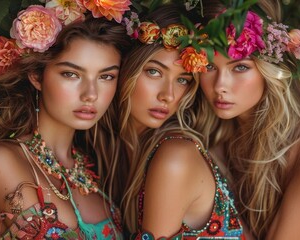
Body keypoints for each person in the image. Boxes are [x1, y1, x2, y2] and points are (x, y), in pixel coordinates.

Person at [0, 3, 130, 238]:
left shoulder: (94, 166)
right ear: (36, 76)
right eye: (71, 74)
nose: (91, 94)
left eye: (106, 76)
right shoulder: (1, 160)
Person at [195, 0, 300, 239]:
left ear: (269, 68)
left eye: (240, 67)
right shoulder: (215, 154)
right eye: (209, 67)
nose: (220, 86)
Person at [103, 4, 245, 239]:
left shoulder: (175, 155)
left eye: (182, 80)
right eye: (154, 72)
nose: (167, 95)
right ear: (126, 68)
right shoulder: (111, 153)